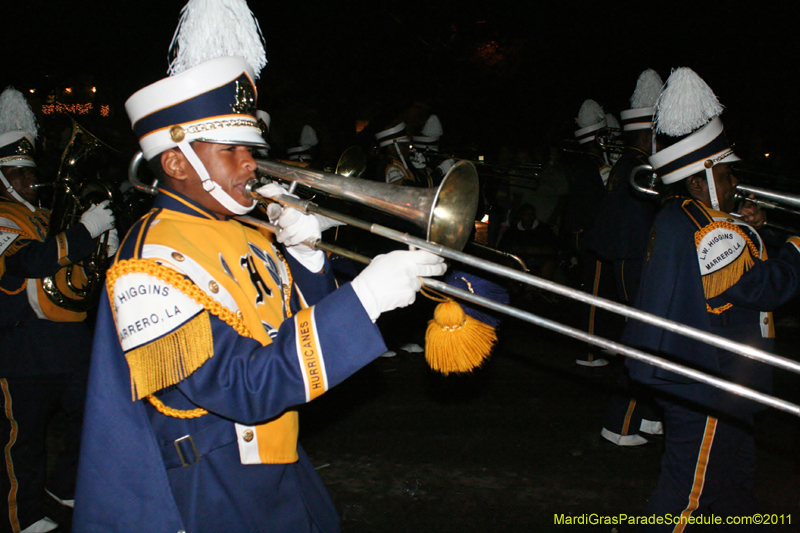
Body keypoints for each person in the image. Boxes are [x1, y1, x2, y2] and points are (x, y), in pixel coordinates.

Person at [72, 2, 445, 532]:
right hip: (209, 487)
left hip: (277, 465)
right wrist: (365, 298)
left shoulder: (247, 231)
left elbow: (299, 335)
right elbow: (243, 385)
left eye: (251, 148)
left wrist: (309, 258)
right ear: (178, 162)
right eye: (232, 150)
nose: (251, 163)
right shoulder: (148, 263)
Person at [624, 67, 800, 528]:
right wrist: (796, 249)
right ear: (700, 179)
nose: (736, 181)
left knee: (733, 477)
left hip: (714, 379)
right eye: (727, 173)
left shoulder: (685, 214)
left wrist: (747, 228)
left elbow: (726, 267)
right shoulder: (711, 232)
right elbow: (766, 288)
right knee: (688, 492)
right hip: (706, 379)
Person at [0, 87, 116, 533]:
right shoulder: (4, 217)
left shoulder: (48, 213)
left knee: (94, 412)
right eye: (18, 173)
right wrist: (85, 233)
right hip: (22, 344)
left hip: (69, 341)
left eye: (31, 171)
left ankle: (63, 485)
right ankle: (23, 516)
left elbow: (72, 265)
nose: (30, 180)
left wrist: (103, 246)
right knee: (21, 441)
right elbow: (28, 261)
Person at [596, 69, 664, 446]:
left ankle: (650, 416)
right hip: (636, 260)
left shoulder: (632, 162)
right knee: (643, 340)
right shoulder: (639, 167)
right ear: (647, 133)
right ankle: (620, 423)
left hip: (633, 258)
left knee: (654, 340)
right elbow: (644, 225)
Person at [563, 99, 615, 366]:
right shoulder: (589, 166)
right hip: (591, 236)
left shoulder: (591, 163)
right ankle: (589, 352)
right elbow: (593, 207)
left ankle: (603, 343)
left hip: (594, 235)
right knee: (594, 296)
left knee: (604, 292)